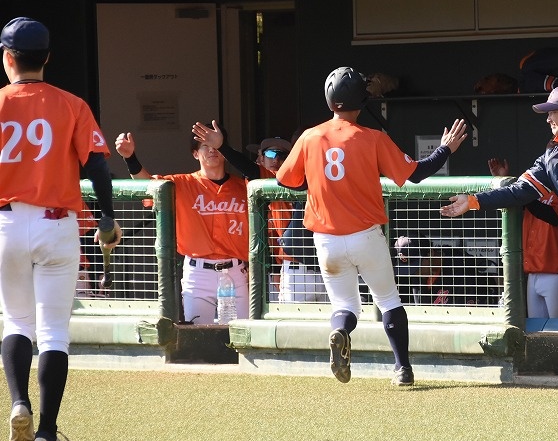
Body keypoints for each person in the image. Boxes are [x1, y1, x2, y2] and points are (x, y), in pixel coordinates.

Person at [276, 67, 468, 386]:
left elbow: (286, 181)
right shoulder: (372, 137)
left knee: (345, 306)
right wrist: (445, 148)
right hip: (365, 236)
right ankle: (402, 369)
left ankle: (341, 330)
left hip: (326, 239)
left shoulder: (310, 137)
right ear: (361, 101)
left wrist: (321, 185)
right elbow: (416, 174)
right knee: (388, 300)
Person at [0, 17, 122, 441]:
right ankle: (47, 434)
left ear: (8, 58)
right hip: (56, 224)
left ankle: (19, 401)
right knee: (53, 331)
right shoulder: (72, 104)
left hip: (6, 222)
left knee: (16, 321)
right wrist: (106, 218)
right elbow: (97, 166)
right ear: (47, 57)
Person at [441, 86, 558, 320]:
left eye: (554, 111)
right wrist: (473, 201)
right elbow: (519, 191)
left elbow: (557, 215)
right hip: (539, 270)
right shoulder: (553, 152)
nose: (548, 118)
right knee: (539, 333)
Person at [115, 127, 249, 324]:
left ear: (224, 150)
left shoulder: (244, 186)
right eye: (205, 146)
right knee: (198, 333)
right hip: (199, 273)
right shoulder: (181, 183)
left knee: (242, 333)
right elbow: (147, 186)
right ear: (195, 153)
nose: (211, 150)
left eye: (215, 145)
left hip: (236, 271)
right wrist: (130, 158)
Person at [192, 123, 325, 303]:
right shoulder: (279, 179)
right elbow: (249, 168)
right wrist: (222, 147)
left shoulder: (336, 176)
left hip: (335, 265)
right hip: (297, 271)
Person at [393, 236, 501, 306]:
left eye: (416, 266)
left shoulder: (460, 268)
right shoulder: (416, 277)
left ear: (430, 253)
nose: (414, 273)